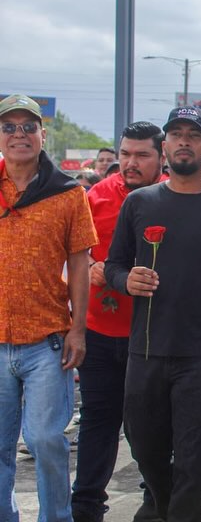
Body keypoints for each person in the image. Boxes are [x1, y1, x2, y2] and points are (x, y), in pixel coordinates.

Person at [104, 106, 201, 521]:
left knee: (195, 463)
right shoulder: (139, 203)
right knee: (144, 446)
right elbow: (113, 265)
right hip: (147, 350)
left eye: (194, 134)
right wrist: (125, 280)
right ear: (165, 145)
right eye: (176, 134)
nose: (184, 141)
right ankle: (159, 504)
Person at [0, 94, 96, 522]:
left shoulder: (68, 194)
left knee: (44, 439)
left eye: (28, 127)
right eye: (9, 127)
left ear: (43, 134)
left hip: (47, 340)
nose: (19, 134)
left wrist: (78, 329)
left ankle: (56, 516)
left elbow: (79, 262)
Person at [71, 122, 166, 522]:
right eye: (125, 153)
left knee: (151, 424)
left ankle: (156, 494)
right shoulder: (95, 196)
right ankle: (86, 503)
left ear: (161, 157)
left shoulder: (174, 198)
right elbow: (71, 255)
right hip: (98, 329)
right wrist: (92, 265)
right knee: (97, 419)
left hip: (153, 335)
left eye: (141, 155)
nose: (130, 162)